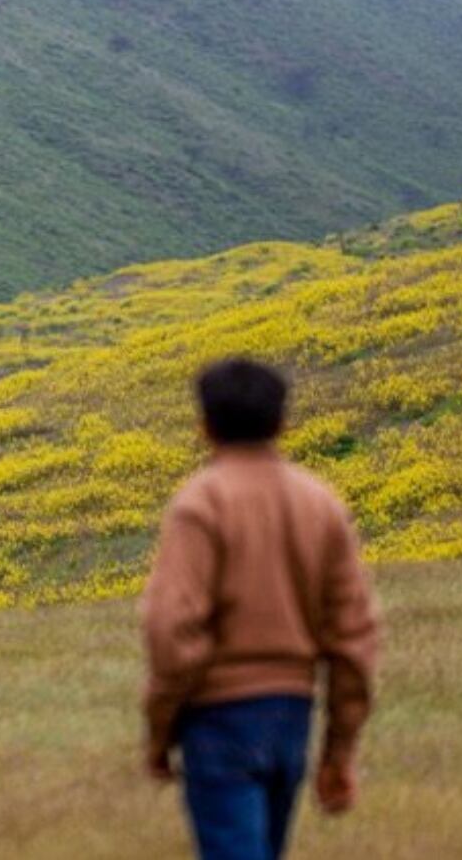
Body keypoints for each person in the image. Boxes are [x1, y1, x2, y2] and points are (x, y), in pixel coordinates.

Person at [141, 358, 381, 860]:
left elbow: (170, 629)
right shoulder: (322, 504)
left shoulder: (200, 504)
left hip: (218, 717)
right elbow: (354, 639)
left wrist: (161, 729)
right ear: (283, 421)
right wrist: (339, 750)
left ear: (204, 426)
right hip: (292, 715)